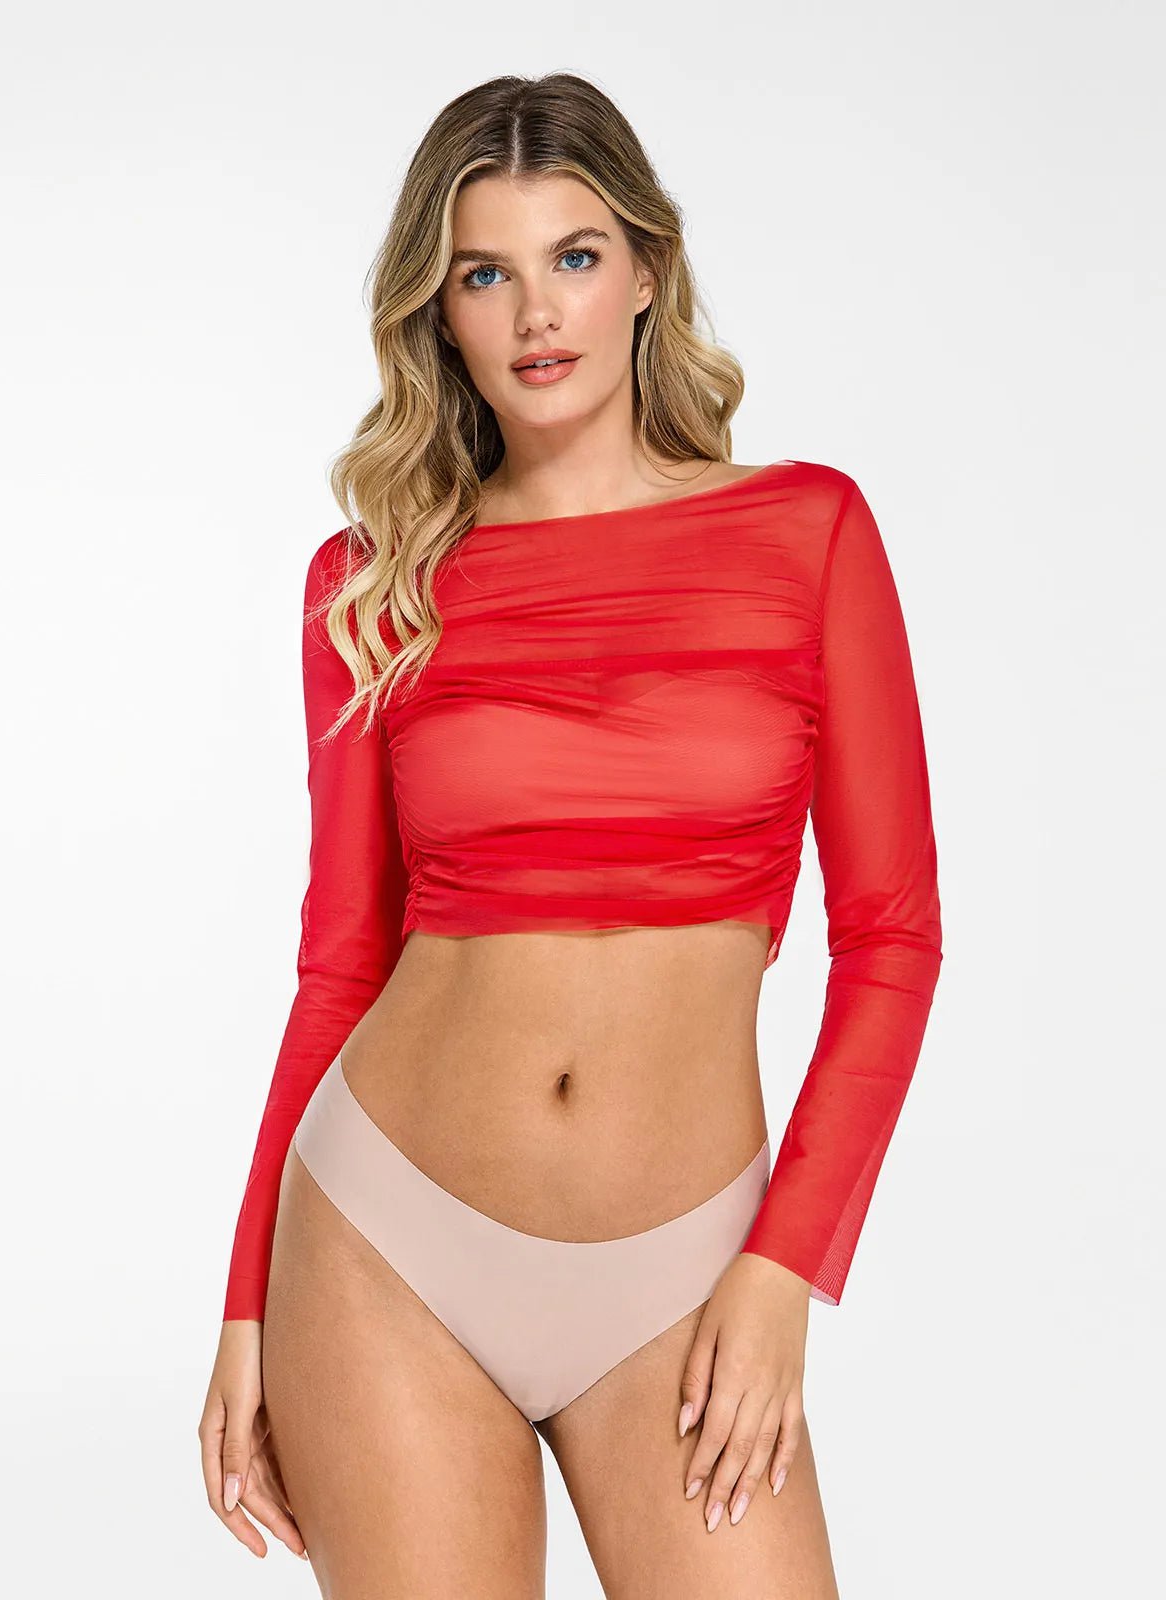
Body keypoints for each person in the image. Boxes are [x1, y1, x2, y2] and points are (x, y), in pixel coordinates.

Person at [198, 70, 942, 1598]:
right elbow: (340, 963)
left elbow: (893, 942)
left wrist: (786, 1267)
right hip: (385, 1244)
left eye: (575, 257)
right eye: (486, 273)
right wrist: (244, 1309)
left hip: (689, 1271)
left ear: (647, 271)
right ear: (442, 310)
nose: (537, 312)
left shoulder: (806, 534)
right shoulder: (374, 581)